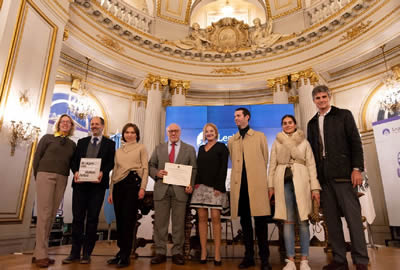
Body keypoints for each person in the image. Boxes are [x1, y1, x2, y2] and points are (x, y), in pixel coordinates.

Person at [307, 85, 369, 270]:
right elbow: (311, 154)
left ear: (329, 97)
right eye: (318, 98)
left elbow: (355, 143)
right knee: (332, 223)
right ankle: (340, 259)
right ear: (314, 101)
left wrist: (357, 169)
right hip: (324, 181)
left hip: (344, 177)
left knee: (354, 220)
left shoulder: (344, 115)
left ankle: (361, 261)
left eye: (324, 97)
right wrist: (314, 183)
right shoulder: (311, 123)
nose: (321, 100)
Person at [268, 115, 321, 270]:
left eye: (290, 122)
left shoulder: (304, 142)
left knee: (303, 220)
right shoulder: (277, 142)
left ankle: (304, 259)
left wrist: (315, 188)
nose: (287, 125)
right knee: (288, 221)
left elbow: (311, 165)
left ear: (295, 124)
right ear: (282, 126)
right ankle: (290, 260)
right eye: (284, 123)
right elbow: (272, 165)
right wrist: (270, 186)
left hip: (302, 181)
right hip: (283, 182)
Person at [63, 116, 115, 264]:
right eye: (92, 124)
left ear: (102, 126)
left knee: (92, 220)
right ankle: (74, 253)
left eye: (97, 124)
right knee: (77, 219)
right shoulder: (81, 142)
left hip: (97, 187)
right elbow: (74, 161)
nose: (94, 126)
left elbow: (111, 162)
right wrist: (76, 172)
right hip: (80, 186)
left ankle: (87, 253)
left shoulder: (110, 144)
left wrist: (102, 172)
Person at [228, 107, 272, 270]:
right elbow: (234, 160)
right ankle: (248, 257)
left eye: (238, 116)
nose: (236, 118)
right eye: (234, 116)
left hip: (257, 187)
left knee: (261, 224)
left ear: (247, 117)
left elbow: (265, 159)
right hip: (240, 188)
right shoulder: (232, 140)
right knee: (245, 224)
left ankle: (265, 259)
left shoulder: (260, 137)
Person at [149, 123, 197, 265]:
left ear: (180, 132)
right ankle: (160, 252)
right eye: (170, 131)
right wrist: (157, 173)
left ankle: (177, 253)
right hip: (161, 190)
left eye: (175, 131)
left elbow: (193, 169)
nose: (173, 133)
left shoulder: (189, 149)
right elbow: (150, 165)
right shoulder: (159, 148)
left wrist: (191, 185)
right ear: (167, 132)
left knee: (178, 224)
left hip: (180, 191)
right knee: (160, 224)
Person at [32, 114, 76, 268]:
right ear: (58, 124)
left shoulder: (72, 144)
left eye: (68, 123)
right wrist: (38, 175)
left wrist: (78, 173)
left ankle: (39, 251)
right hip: (45, 175)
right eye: (63, 122)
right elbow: (37, 157)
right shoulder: (47, 138)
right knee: (44, 213)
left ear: (71, 126)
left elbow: (73, 164)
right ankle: (41, 255)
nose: (65, 124)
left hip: (62, 178)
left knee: (51, 215)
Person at [106, 123, 148, 268]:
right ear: (123, 134)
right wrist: (111, 191)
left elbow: (145, 169)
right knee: (120, 220)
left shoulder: (141, 147)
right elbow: (114, 172)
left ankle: (125, 255)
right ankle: (120, 252)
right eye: (127, 132)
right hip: (118, 186)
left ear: (137, 135)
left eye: (132, 132)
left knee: (128, 221)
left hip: (132, 184)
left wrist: (142, 187)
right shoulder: (118, 151)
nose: (129, 135)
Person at [190, 123, 229, 266]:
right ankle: (204, 252)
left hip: (216, 189)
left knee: (215, 218)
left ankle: (217, 253)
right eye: (207, 131)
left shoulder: (222, 148)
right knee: (201, 219)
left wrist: (219, 187)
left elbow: (223, 168)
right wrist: (196, 184)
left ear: (216, 133)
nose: (209, 133)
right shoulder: (200, 148)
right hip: (200, 188)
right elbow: (198, 169)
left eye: (211, 131)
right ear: (204, 134)